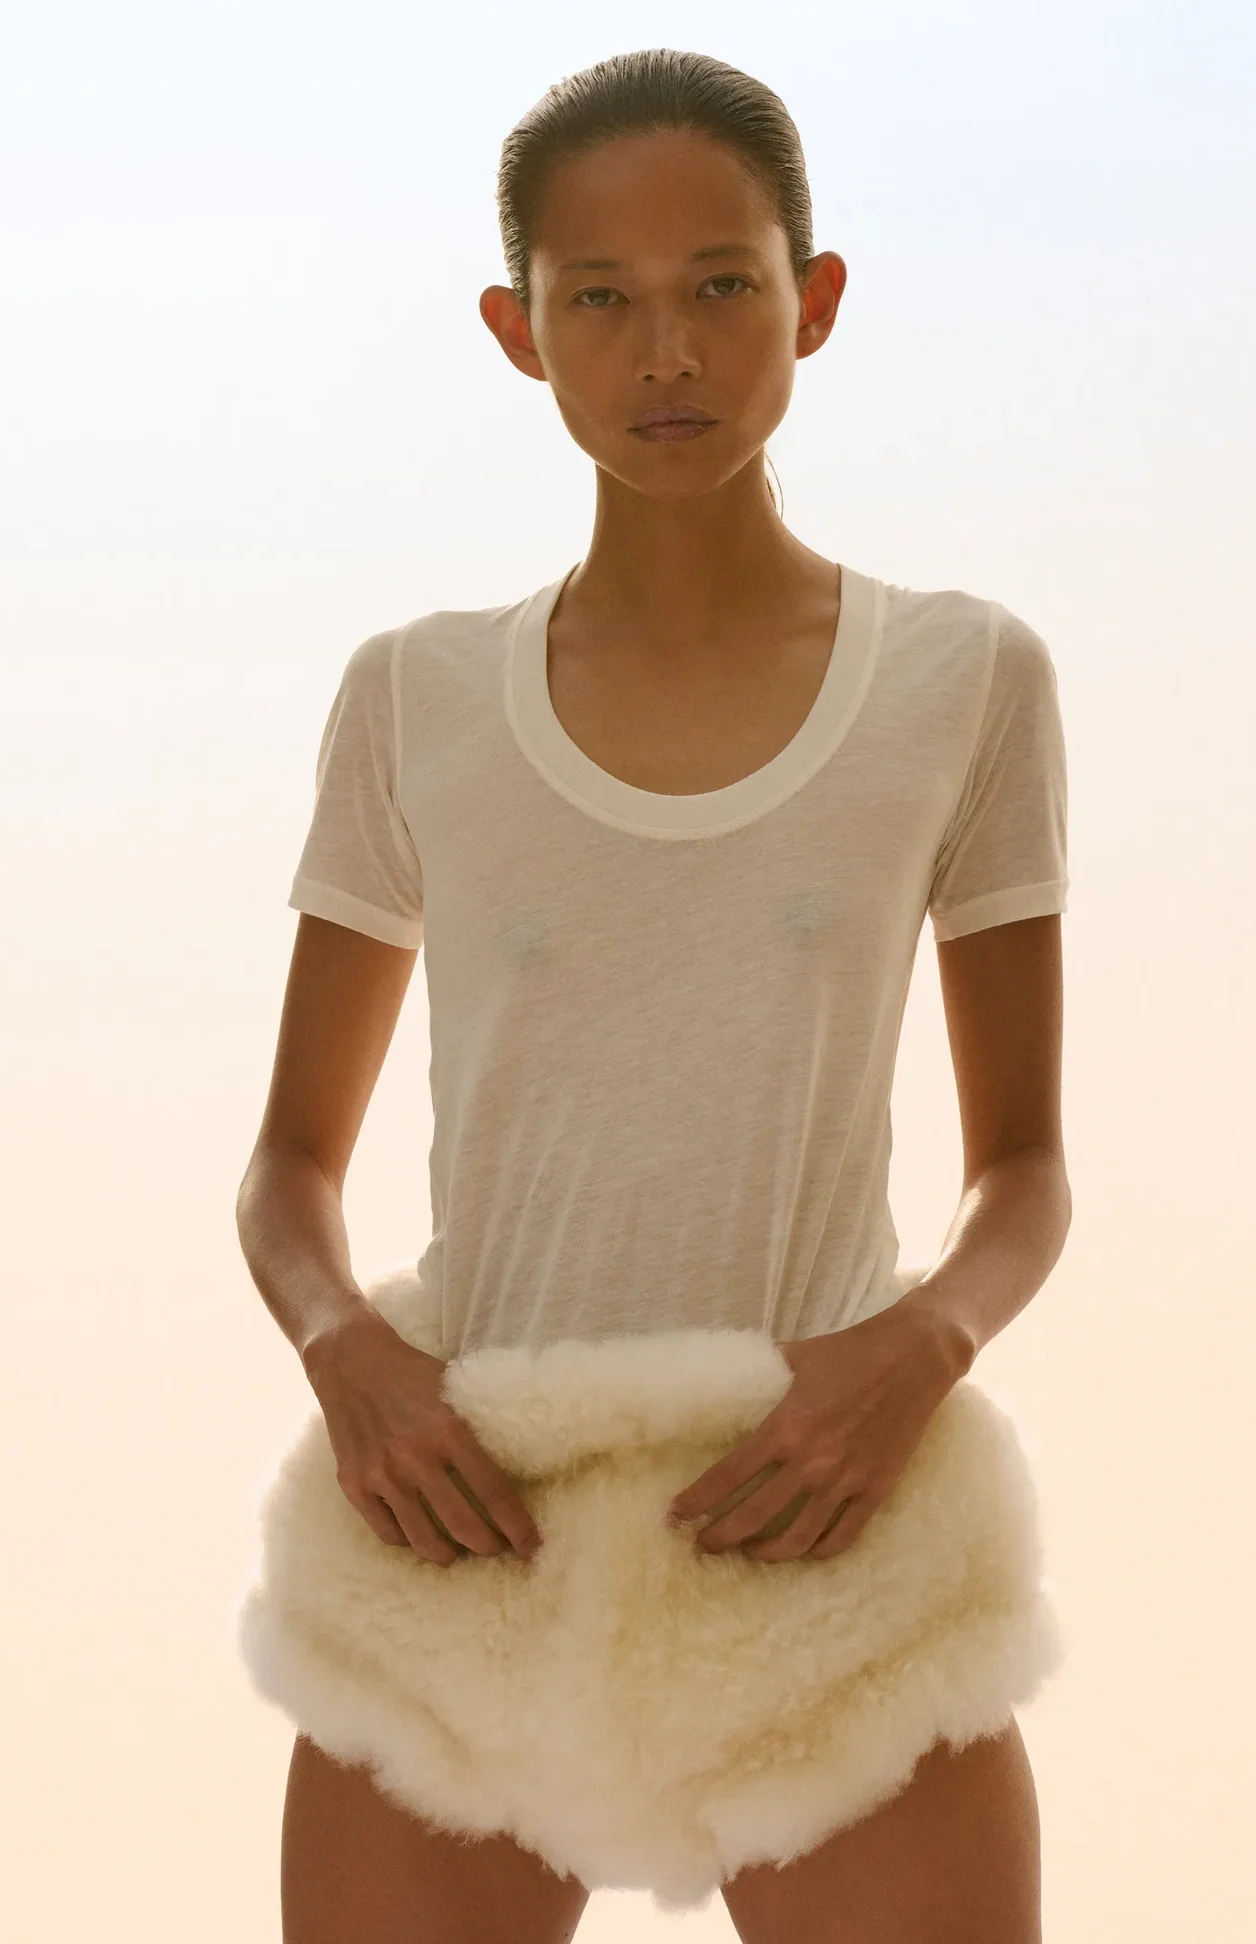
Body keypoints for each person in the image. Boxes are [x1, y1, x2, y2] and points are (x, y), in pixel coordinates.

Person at [235, 45, 1071, 1944]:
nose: (666, 351)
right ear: (517, 331)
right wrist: (350, 1360)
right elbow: (288, 1166)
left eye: (719, 284)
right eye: (598, 299)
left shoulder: (961, 680)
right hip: (462, 1536)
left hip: (825, 1526)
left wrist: (914, 1353)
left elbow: (1024, 1168)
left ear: (814, 299)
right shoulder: (412, 696)